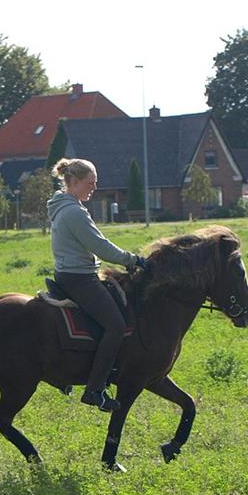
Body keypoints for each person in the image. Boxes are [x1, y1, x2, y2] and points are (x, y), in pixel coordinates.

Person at [47, 158, 144, 412]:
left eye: (96, 182)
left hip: (71, 274)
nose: (94, 187)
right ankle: (95, 389)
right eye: (90, 183)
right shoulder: (74, 212)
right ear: (75, 182)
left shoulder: (65, 206)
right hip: (80, 278)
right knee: (115, 326)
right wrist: (133, 260)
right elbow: (100, 246)